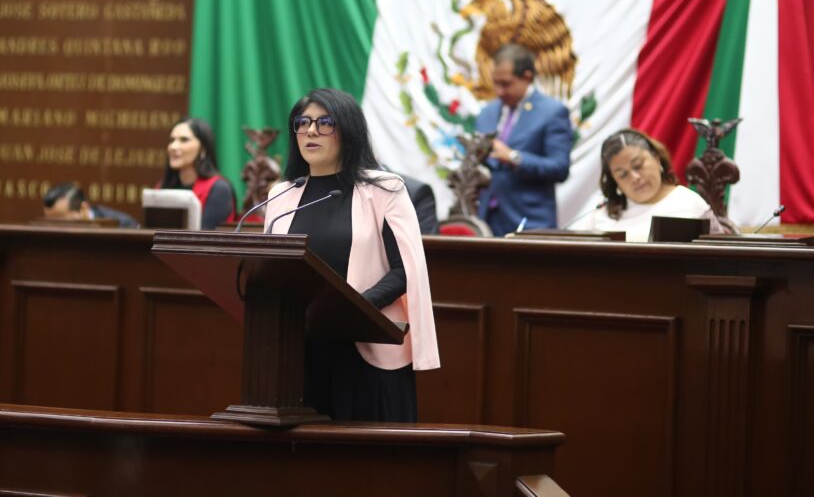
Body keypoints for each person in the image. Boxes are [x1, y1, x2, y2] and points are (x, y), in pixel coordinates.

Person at [264, 88, 439, 422]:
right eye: (303, 123)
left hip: (368, 348)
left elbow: (405, 269)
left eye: (324, 123)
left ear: (348, 130)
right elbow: (273, 270)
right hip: (300, 351)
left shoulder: (384, 189)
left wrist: (353, 308)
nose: (311, 131)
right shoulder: (281, 195)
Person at [475, 44, 572, 235]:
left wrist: (514, 157)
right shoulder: (487, 112)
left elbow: (559, 167)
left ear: (527, 78)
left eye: (505, 84)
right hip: (486, 220)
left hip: (530, 221)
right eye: (495, 83)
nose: (499, 91)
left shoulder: (552, 112)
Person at [571, 128, 713, 242]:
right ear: (615, 182)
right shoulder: (600, 216)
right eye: (623, 175)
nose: (635, 178)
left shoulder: (690, 203)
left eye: (638, 165)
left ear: (657, 158)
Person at [159, 117, 236, 231]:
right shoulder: (162, 186)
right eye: (172, 140)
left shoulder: (219, 189)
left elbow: (204, 238)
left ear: (203, 148)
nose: (173, 147)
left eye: (184, 140)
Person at [43, 182, 139, 229]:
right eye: (50, 221)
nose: (53, 227)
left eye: (60, 221)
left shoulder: (124, 225)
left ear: (83, 208)